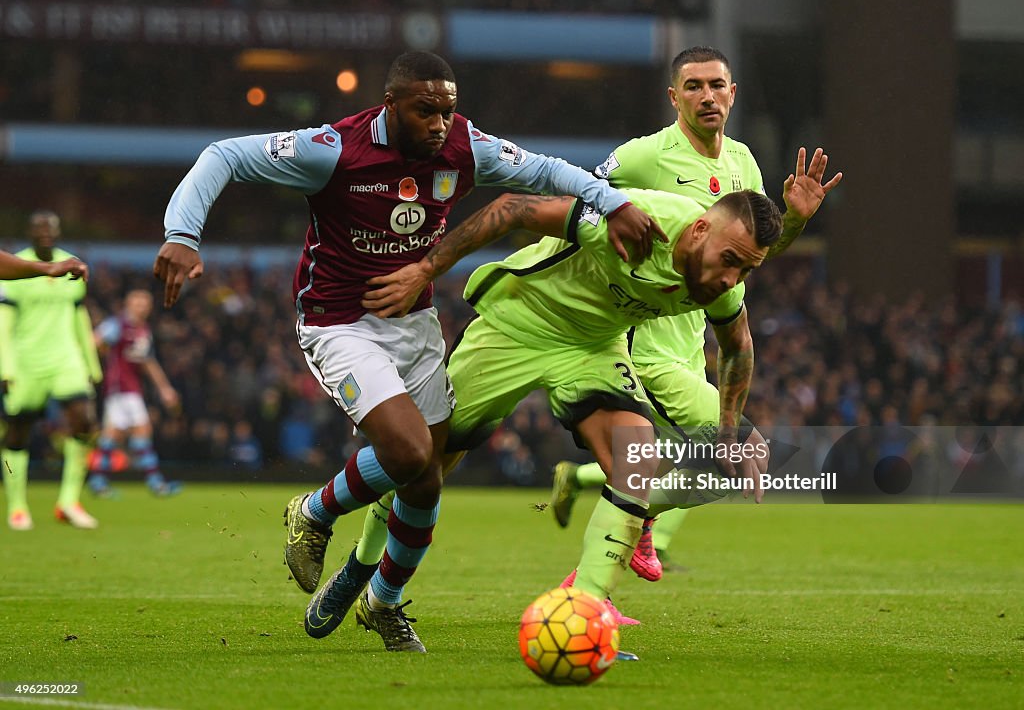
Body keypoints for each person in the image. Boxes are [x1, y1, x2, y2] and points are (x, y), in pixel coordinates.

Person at [153, 51, 661, 652]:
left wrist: (614, 202)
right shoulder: (333, 148)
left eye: (449, 110)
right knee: (412, 451)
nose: (441, 123)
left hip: (414, 325)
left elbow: (549, 172)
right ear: (391, 105)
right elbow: (224, 155)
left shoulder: (465, 147)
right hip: (339, 323)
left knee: (425, 482)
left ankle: (384, 603)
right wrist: (182, 235)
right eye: (427, 111)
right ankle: (315, 511)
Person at [309, 186, 782, 653]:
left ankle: (584, 616)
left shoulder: (724, 281)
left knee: (636, 458)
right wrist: (426, 268)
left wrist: (726, 431)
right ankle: (360, 564)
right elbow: (512, 209)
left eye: (745, 269)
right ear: (699, 229)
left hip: (593, 347)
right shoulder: (638, 223)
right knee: (422, 464)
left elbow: (738, 346)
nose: (731, 278)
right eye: (729, 259)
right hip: (519, 323)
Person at [551, 46, 842, 580]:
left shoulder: (744, 164)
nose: (706, 96)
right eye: (693, 86)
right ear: (673, 97)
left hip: (693, 342)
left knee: (684, 467)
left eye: (716, 85)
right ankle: (603, 572)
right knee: (736, 455)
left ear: (733, 94)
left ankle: (608, 561)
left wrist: (795, 223)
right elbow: (580, 205)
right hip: (638, 336)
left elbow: (751, 255)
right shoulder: (644, 156)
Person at [0, 210, 101, 531]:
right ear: (29, 232)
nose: (45, 233)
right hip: (26, 360)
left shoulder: (72, 264)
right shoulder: (16, 266)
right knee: (18, 431)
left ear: (59, 232)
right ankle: (17, 507)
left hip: (65, 358)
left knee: (84, 420)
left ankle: (69, 502)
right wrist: (6, 366)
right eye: (39, 228)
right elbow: (5, 322)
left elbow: (78, 318)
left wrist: (90, 364)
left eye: (51, 228)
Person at [86, 289, 182, 498]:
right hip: (120, 388)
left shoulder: (142, 330)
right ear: (128, 304)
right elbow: (94, 341)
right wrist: (93, 366)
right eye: (138, 303)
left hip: (131, 388)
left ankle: (98, 481)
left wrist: (164, 388)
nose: (142, 307)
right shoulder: (117, 324)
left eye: (145, 304)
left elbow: (147, 362)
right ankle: (154, 482)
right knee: (139, 431)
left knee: (114, 435)